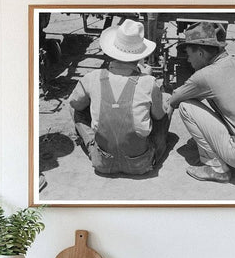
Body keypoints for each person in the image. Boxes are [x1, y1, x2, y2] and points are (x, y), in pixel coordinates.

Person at [168, 21, 235, 183]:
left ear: (201, 53)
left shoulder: (206, 76)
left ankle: (216, 168)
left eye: (189, 55)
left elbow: (173, 100)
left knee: (186, 106)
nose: (188, 60)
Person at [69, 19, 171, 175]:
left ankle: (92, 144)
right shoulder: (148, 82)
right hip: (141, 165)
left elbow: (75, 104)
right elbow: (158, 116)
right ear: (140, 57)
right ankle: (154, 152)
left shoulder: (92, 77)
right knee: (166, 100)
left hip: (102, 163)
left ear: (111, 52)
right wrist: (145, 79)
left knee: (75, 108)